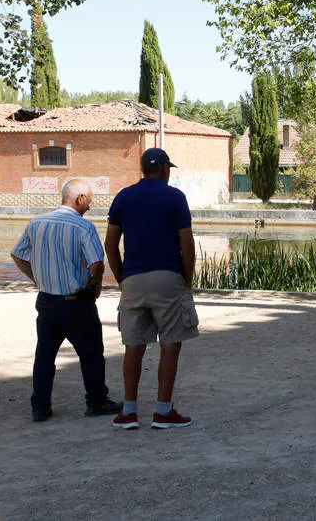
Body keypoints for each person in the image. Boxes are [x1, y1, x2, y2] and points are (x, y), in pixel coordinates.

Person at [11, 179, 122, 422]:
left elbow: (18, 254)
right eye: (89, 202)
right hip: (76, 302)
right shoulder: (83, 227)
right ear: (80, 198)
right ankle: (96, 401)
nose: (89, 207)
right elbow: (96, 264)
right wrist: (96, 287)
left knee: (45, 355)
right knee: (91, 353)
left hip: (46, 300)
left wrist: (37, 278)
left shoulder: (36, 223)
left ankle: (40, 407)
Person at [105, 148, 199, 430]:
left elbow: (110, 243)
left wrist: (122, 277)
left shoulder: (123, 196)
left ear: (143, 169)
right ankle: (162, 411)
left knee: (133, 346)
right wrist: (187, 277)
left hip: (133, 280)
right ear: (166, 170)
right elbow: (187, 242)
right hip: (168, 278)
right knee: (170, 345)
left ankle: (129, 412)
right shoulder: (175, 197)